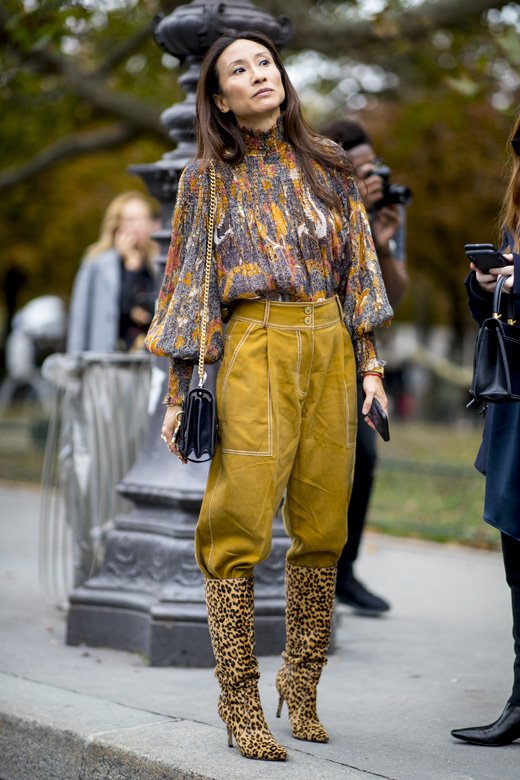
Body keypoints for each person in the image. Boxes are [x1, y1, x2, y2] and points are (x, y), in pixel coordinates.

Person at [145, 30, 393, 761]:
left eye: (265, 62)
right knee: (239, 522)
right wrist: (178, 394)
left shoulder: (330, 163)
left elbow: (360, 268)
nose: (259, 74)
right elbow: (188, 287)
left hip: (330, 345)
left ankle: (302, 680)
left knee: (324, 523)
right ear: (219, 98)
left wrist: (371, 368)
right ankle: (239, 699)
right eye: (239, 69)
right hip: (254, 342)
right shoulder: (207, 178)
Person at [319, 118, 408, 614]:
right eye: (360, 171)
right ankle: (299, 573)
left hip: (357, 354)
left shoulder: (383, 210)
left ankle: (343, 573)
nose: (372, 179)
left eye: (374, 168)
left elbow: (392, 297)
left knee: (364, 460)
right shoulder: (318, 203)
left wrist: (384, 241)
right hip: (311, 347)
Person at [451, 114, 520, 746]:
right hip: (515, 404)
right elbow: (490, 315)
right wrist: (485, 282)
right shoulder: (517, 218)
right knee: (518, 558)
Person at [67, 191, 156, 353]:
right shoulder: (97, 263)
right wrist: (76, 357)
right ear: (116, 225)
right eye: (131, 220)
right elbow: (80, 316)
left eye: (144, 219)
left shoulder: (156, 263)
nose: (139, 226)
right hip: (107, 356)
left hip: (147, 356)